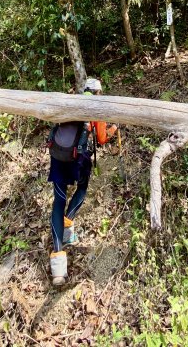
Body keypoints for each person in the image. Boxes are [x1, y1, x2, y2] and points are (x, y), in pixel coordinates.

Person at [48, 78, 117, 286]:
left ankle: (58, 264)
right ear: (97, 92)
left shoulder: (71, 100)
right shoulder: (96, 105)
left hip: (58, 154)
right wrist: (114, 128)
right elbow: (103, 138)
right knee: (83, 187)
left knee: (58, 200)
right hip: (79, 157)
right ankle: (69, 223)